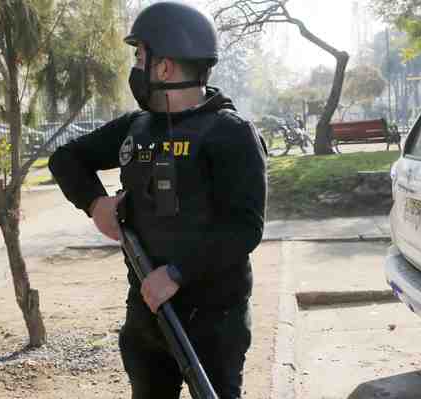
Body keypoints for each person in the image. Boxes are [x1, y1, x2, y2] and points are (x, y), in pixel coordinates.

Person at [48, 2, 267, 398]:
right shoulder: (138, 125)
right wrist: (96, 204)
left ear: (164, 66)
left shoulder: (231, 132)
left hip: (213, 319)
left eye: (139, 56)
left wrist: (177, 273)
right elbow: (66, 159)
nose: (136, 67)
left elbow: (244, 227)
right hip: (147, 316)